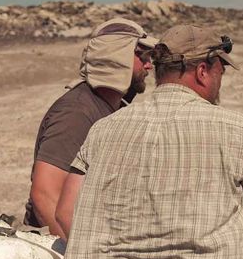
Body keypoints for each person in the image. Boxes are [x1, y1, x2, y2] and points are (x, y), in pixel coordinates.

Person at [53, 24, 243, 259]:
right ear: (202, 71)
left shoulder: (103, 129)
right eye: (220, 73)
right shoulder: (236, 130)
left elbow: (65, 213)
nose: (219, 82)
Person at [24, 18, 157, 238]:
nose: (149, 65)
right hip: (61, 248)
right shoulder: (77, 112)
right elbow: (45, 195)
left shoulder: (107, 107)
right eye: (142, 56)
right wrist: (79, 257)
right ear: (116, 57)